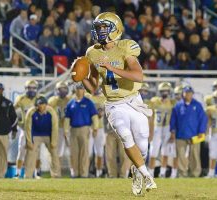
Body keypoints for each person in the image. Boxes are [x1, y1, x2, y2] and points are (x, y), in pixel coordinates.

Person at [82, 12, 157, 196]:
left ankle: (137, 170)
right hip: (114, 104)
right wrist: (81, 77)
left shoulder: (126, 48)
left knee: (143, 147)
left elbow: (138, 75)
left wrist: (111, 68)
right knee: (124, 134)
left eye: (104, 28)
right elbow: (92, 87)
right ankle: (147, 175)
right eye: (98, 28)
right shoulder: (92, 52)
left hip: (133, 100)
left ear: (116, 29)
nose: (99, 31)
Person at [169, 86, 208, 177]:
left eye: (190, 93)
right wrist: (172, 131)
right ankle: (182, 173)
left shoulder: (197, 105)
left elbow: (203, 119)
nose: (188, 94)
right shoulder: (178, 105)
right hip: (180, 134)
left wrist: (201, 131)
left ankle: (195, 173)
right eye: (186, 92)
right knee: (181, 155)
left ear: (192, 94)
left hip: (195, 135)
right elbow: (173, 120)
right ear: (183, 93)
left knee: (195, 155)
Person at [64, 83, 98, 178]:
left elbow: (94, 116)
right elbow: (67, 118)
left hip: (85, 129)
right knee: (74, 152)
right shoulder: (71, 103)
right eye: (78, 89)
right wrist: (66, 130)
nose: (79, 91)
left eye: (81, 89)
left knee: (84, 152)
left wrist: (95, 128)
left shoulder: (88, 102)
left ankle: (84, 173)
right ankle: (75, 173)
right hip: (73, 130)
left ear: (84, 90)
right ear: (75, 90)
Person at [24, 96, 61, 178]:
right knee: (30, 153)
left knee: (54, 153)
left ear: (46, 105)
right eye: (39, 104)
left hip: (48, 134)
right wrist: (29, 141)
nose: (41, 106)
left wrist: (53, 141)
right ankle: (28, 175)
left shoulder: (51, 112)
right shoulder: (31, 112)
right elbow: (28, 128)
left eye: (43, 104)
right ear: (36, 105)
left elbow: (55, 127)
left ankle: (56, 175)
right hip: (35, 135)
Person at [148, 82, 177, 178]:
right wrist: (150, 131)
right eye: (163, 91)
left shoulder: (173, 102)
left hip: (167, 128)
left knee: (165, 151)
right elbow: (151, 117)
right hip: (157, 127)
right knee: (153, 150)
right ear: (159, 92)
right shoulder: (154, 101)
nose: (165, 93)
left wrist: (173, 132)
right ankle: (151, 171)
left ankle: (162, 172)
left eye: (167, 91)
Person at [14, 80, 39, 178]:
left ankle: (36, 173)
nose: (31, 90)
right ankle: (18, 173)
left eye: (33, 88)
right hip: (24, 129)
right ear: (26, 88)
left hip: (36, 129)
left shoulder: (40, 99)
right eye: (29, 88)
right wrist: (19, 125)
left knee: (37, 152)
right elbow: (14, 112)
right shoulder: (20, 99)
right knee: (21, 151)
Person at [48, 81, 71, 170]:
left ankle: (72, 171)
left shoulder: (70, 100)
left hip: (68, 127)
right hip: (57, 128)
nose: (62, 91)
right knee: (58, 151)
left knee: (71, 150)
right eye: (60, 89)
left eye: (64, 88)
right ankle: (56, 170)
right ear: (57, 90)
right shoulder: (52, 100)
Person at [86, 88, 106, 177]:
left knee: (99, 152)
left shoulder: (105, 98)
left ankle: (99, 172)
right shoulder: (87, 97)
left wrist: (102, 113)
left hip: (100, 128)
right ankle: (85, 171)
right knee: (88, 152)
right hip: (89, 127)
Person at [206, 90, 217, 178]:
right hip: (213, 133)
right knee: (213, 154)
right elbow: (208, 122)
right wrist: (207, 133)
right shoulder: (210, 109)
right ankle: (211, 172)